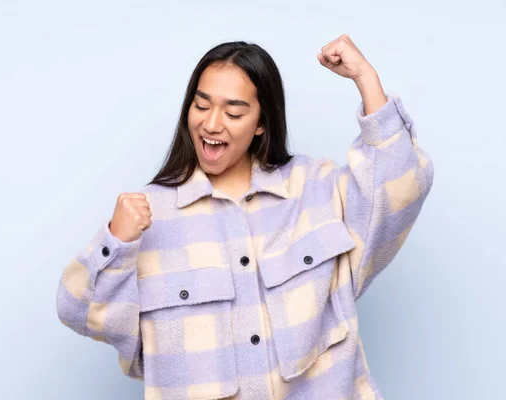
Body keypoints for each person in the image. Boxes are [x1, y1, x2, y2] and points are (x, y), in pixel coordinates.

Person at [56, 35, 434, 400]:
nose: (212, 124)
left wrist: (366, 80)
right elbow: (78, 311)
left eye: (233, 112)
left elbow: (397, 188)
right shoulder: (151, 217)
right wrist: (115, 243)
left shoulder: (314, 189)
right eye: (201, 106)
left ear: (261, 123)